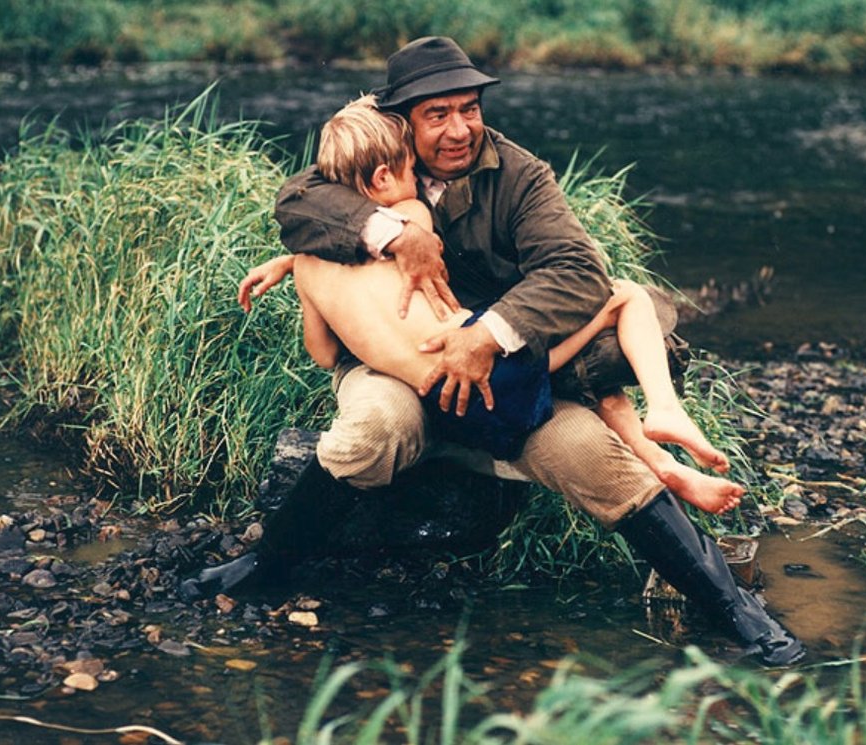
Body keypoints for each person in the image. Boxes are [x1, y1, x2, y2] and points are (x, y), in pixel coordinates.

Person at [185, 37, 804, 667]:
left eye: (469, 108)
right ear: (402, 119)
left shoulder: (519, 176)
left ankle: (731, 608)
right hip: (391, 369)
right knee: (373, 428)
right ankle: (266, 564)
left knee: (593, 455)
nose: (459, 129)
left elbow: (578, 272)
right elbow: (297, 202)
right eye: (439, 114)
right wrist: (395, 232)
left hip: (501, 372)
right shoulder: (373, 150)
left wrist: (486, 336)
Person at [242, 95, 742, 511]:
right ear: (384, 176)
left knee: (585, 369)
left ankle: (666, 464)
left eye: (469, 110)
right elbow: (307, 200)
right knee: (626, 298)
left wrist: (293, 264)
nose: (421, 177)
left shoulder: (314, 264)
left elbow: (324, 355)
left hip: (448, 379)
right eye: (413, 166)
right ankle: (665, 417)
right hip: (483, 378)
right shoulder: (413, 211)